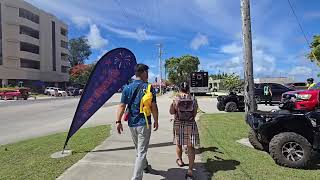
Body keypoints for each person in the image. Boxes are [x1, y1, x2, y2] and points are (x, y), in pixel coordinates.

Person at [116, 64, 159, 180]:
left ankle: (144, 166)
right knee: (141, 151)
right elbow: (154, 107)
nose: (148, 75)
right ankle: (136, 178)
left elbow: (121, 105)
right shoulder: (149, 87)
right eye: (147, 72)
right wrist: (156, 120)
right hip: (144, 123)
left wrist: (118, 121)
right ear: (144, 72)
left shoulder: (127, 88)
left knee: (139, 149)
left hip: (132, 123)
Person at [169, 82, 200, 180]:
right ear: (188, 89)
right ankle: (190, 170)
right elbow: (195, 112)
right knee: (190, 147)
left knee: (179, 144)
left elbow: (171, 112)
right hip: (190, 124)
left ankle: (180, 161)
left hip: (178, 123)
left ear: (180, 89)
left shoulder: (176, 98)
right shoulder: (193, 99)